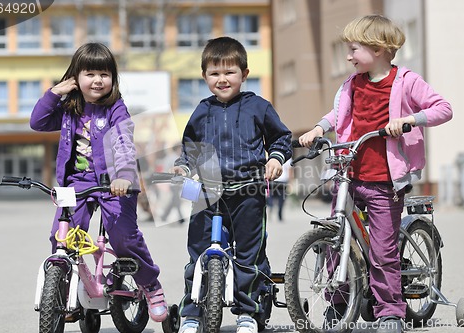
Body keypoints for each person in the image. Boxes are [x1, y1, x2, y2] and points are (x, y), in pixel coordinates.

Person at [298, 15, 452, 333]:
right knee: (334, 240)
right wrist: (318, 127)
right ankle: (339, 303)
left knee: (382, 252)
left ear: (379, 49)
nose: (349, 56)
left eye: (354, 49)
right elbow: (337, 113)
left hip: (385, 182)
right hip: (348, 177)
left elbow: (443, 108)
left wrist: (410, 119)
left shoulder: (406, 81)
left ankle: (391, 312)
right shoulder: (351, 85)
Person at [29, 42, 168, 322]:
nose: (97, 80)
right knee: (62, 237)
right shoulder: (69, 108)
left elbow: (123, 141)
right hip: (76, 184)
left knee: (123, 238)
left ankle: (150, 285)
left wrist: (124, 175)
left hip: (115, 182)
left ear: (113, 79)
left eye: (104, 74)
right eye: (90, 73)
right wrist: (55, 92)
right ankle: (64, 293)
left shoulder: (115, 108)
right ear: (75, 78)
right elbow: (38, 122)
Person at [172, 36, 292, 333]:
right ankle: (192, 311)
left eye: (229, 72)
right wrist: (183, 166)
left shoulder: (258, 107)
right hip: (207, 192)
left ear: (244, 74)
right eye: (214, 73)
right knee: (198, 254)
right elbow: (190, 147)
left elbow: (281, 138)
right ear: (204, 76)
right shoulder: (202, 110)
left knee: (248, 256)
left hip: (248, 191)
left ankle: (247, 312)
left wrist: (275, 158)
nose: (222, 79)